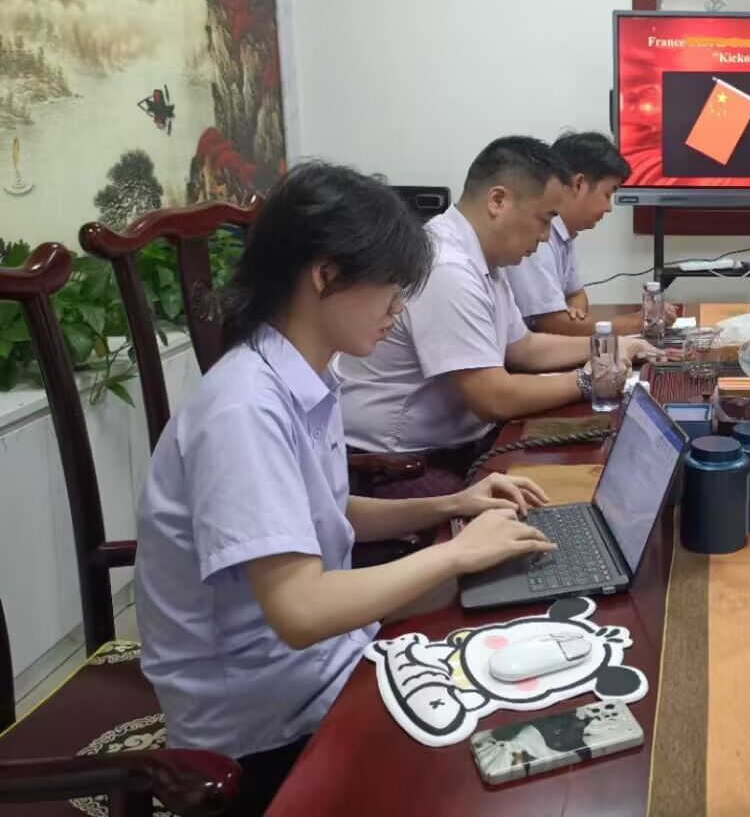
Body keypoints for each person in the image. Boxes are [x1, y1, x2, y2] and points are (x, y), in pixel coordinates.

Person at [134, 162, 557, 815]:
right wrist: (455, 552)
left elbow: (324, 511)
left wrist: (452, 505)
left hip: (324, 666)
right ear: (325, 274)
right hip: (263, 728)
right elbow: (300, 610)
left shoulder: (303, 375)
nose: (397, 311)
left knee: (517, 635)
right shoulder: (244, 409)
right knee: (492, 759)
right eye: (391, 290)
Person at [337, 136, 656, 469]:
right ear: (498, 201)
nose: (546, 236)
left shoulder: (483, 258)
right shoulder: (447, 268)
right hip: (400, 463)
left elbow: (524, 348)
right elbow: (492, 398)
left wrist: (611, 347)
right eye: (544, 219)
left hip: (456, 443)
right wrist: (588, 381)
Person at [504, 130, 676, 335]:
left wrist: (571, 315)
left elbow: (577, 295)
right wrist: (638, 322)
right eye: (607, 194)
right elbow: (549, 323)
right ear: (579, 184)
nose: (609, 208)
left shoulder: (565, 234)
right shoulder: (537, 236)